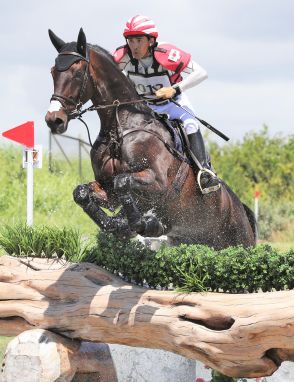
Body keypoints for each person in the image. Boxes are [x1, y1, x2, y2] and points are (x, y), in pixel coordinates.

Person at [113, 15, 220, 194]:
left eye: (139, 40)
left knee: (191, 123)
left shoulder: (165, 53)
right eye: (131, 41)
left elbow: (202, 73)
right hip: (144, 108)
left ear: (151, 40)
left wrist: (175, 89)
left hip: (172, 103)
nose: (134, 46)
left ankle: (204, 172)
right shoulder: (122, 56)